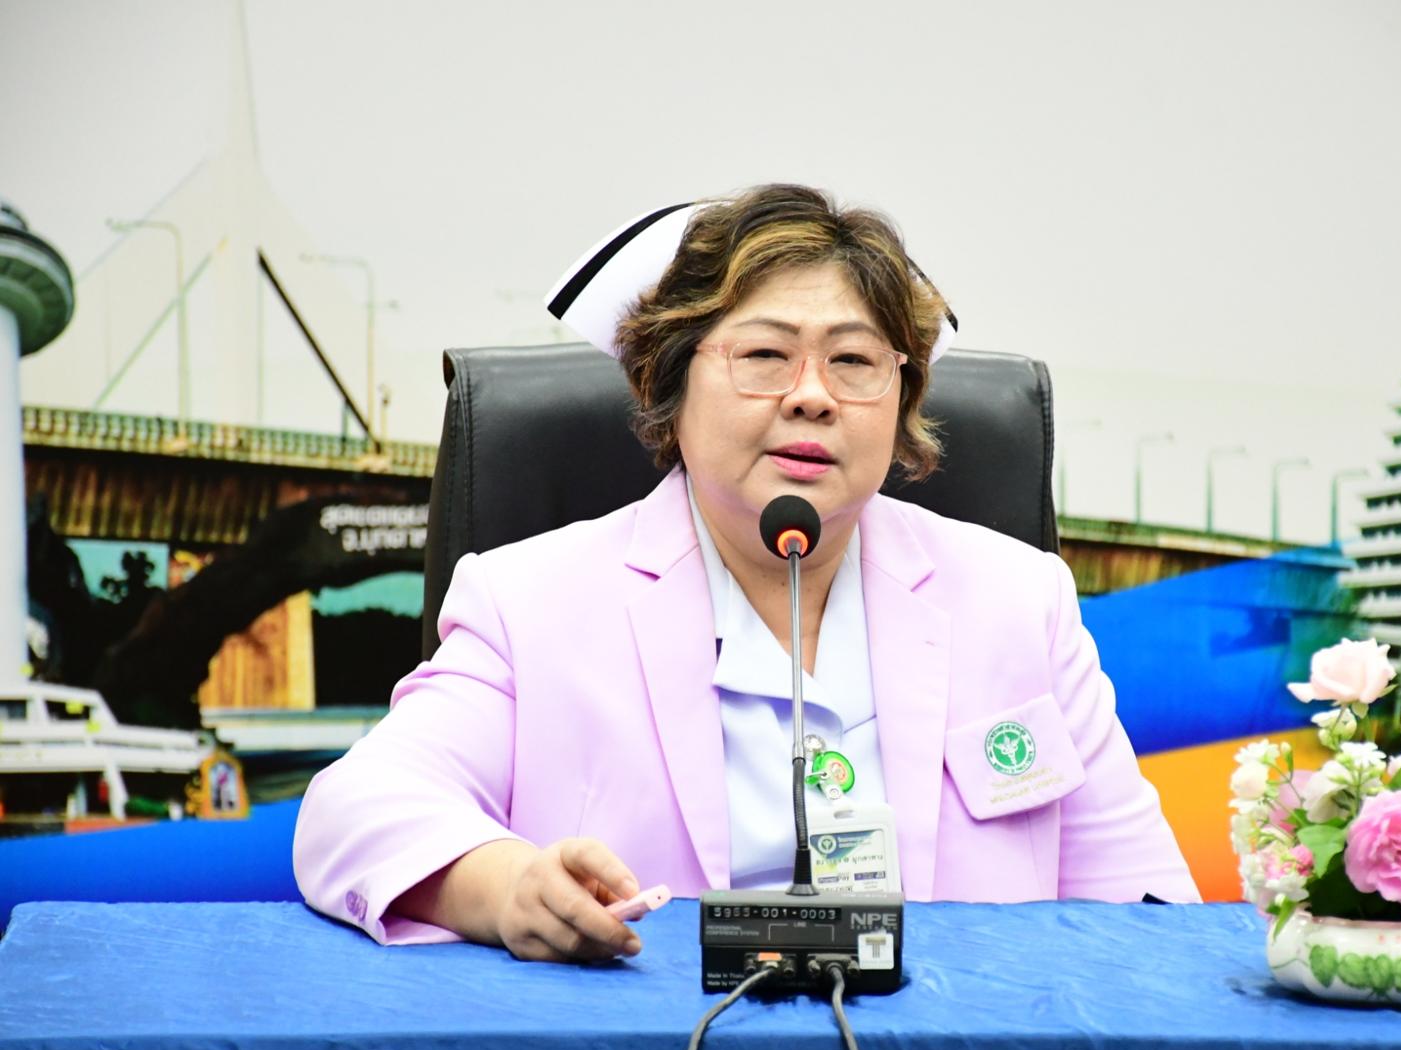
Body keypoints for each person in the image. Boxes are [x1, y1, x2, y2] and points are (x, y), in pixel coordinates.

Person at [293, 184, 1198, 964]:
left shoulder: (1018, 599)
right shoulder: (530, 603)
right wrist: (506, 889)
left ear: (902, 400)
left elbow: (1148, 908)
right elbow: (354, 811)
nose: (812, 395)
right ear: (671, 382)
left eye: (854, 362)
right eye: (765, 355)